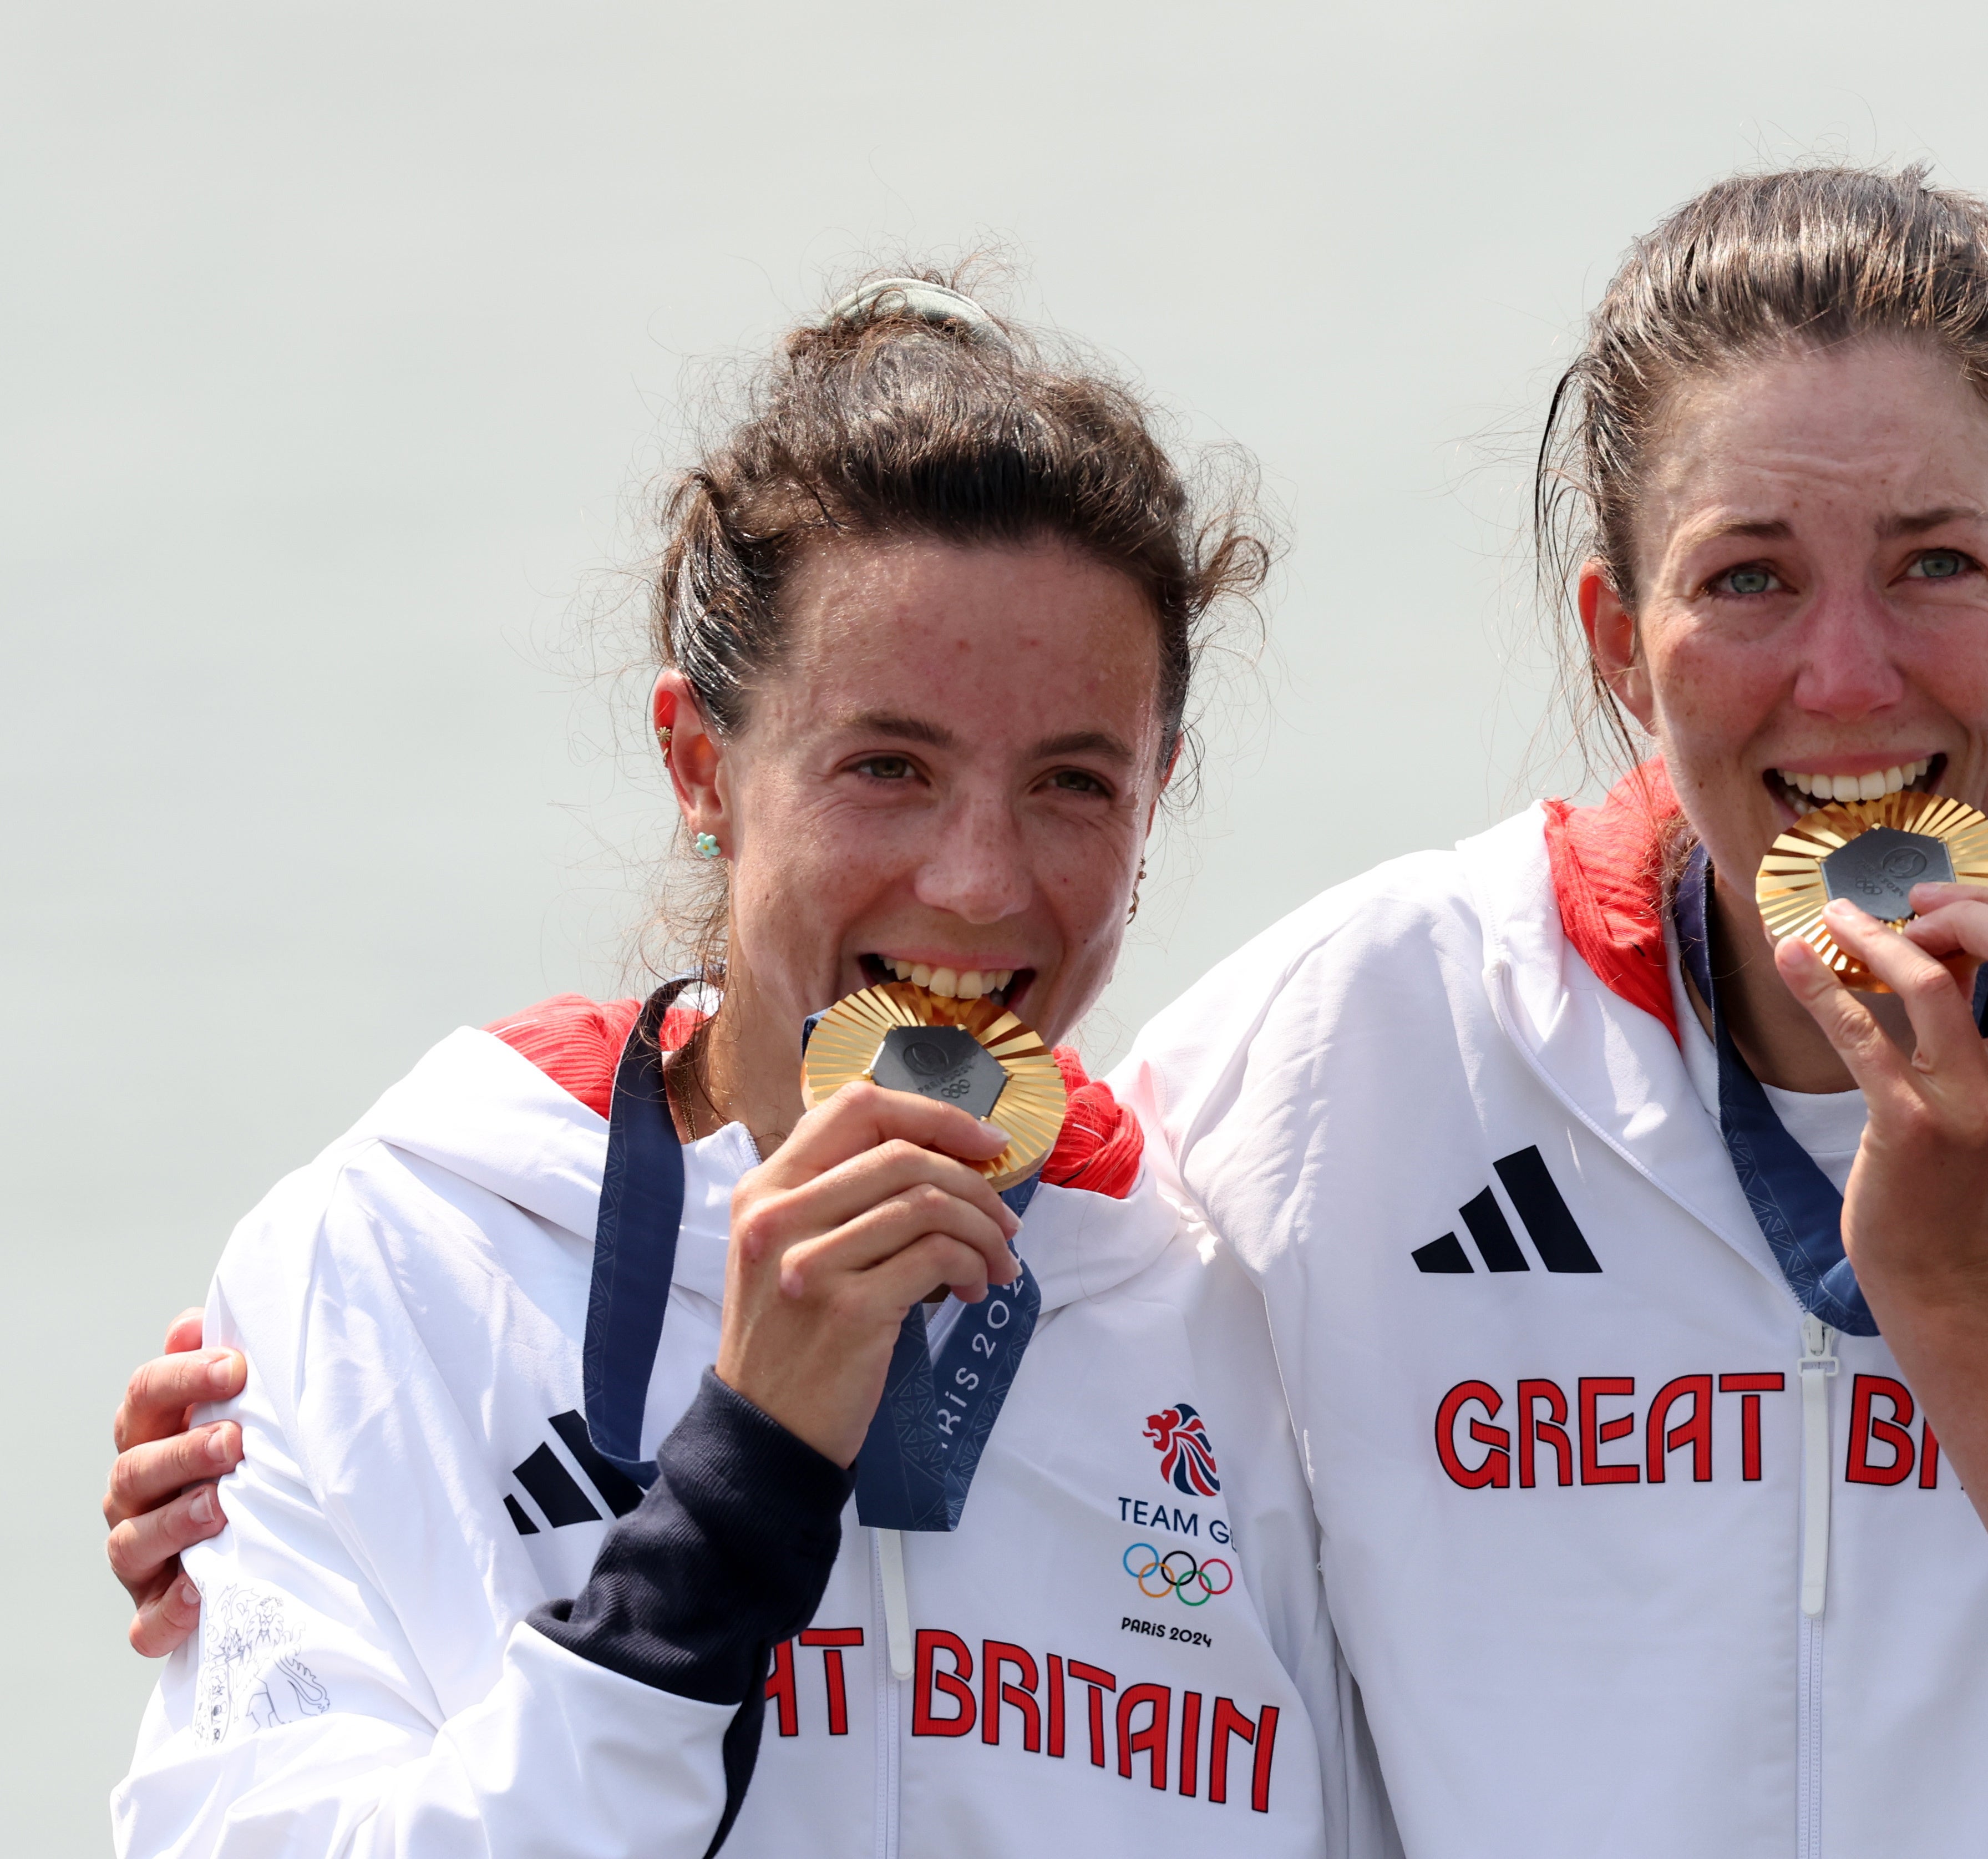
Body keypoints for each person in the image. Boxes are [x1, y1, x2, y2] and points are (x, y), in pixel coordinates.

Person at [111, 168, 1988, 1859]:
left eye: (1933, 566)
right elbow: (807, 1086)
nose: (1842, 678)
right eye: (1740, 581)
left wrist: (1960, 1294)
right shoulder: (1366, 1053)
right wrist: (363, 1353)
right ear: (1612, 643)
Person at [106, 272, 1392, 1858]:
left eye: (1072, 783)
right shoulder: (392, 1268)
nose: (980, 880)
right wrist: (742, 1477)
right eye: (885, 766)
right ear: (700, 762)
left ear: (1156, 796)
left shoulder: (1231, 1310)